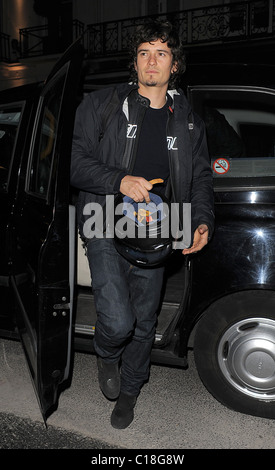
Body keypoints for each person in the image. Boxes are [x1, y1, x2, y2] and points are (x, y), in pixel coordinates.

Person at [70, 19, 214, 429]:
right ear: (134, 62)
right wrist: (118, 180)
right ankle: (105, 353)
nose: (152, 61)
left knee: (144, 322)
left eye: (161, 53)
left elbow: (202, 177)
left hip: (157, 231)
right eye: (144, 52)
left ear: (174, 65)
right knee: (117, 321)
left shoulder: (189, 121)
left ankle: (130, 391)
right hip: (103, 218)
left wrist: (201, 221)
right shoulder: (100, 105)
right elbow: (75, 163)